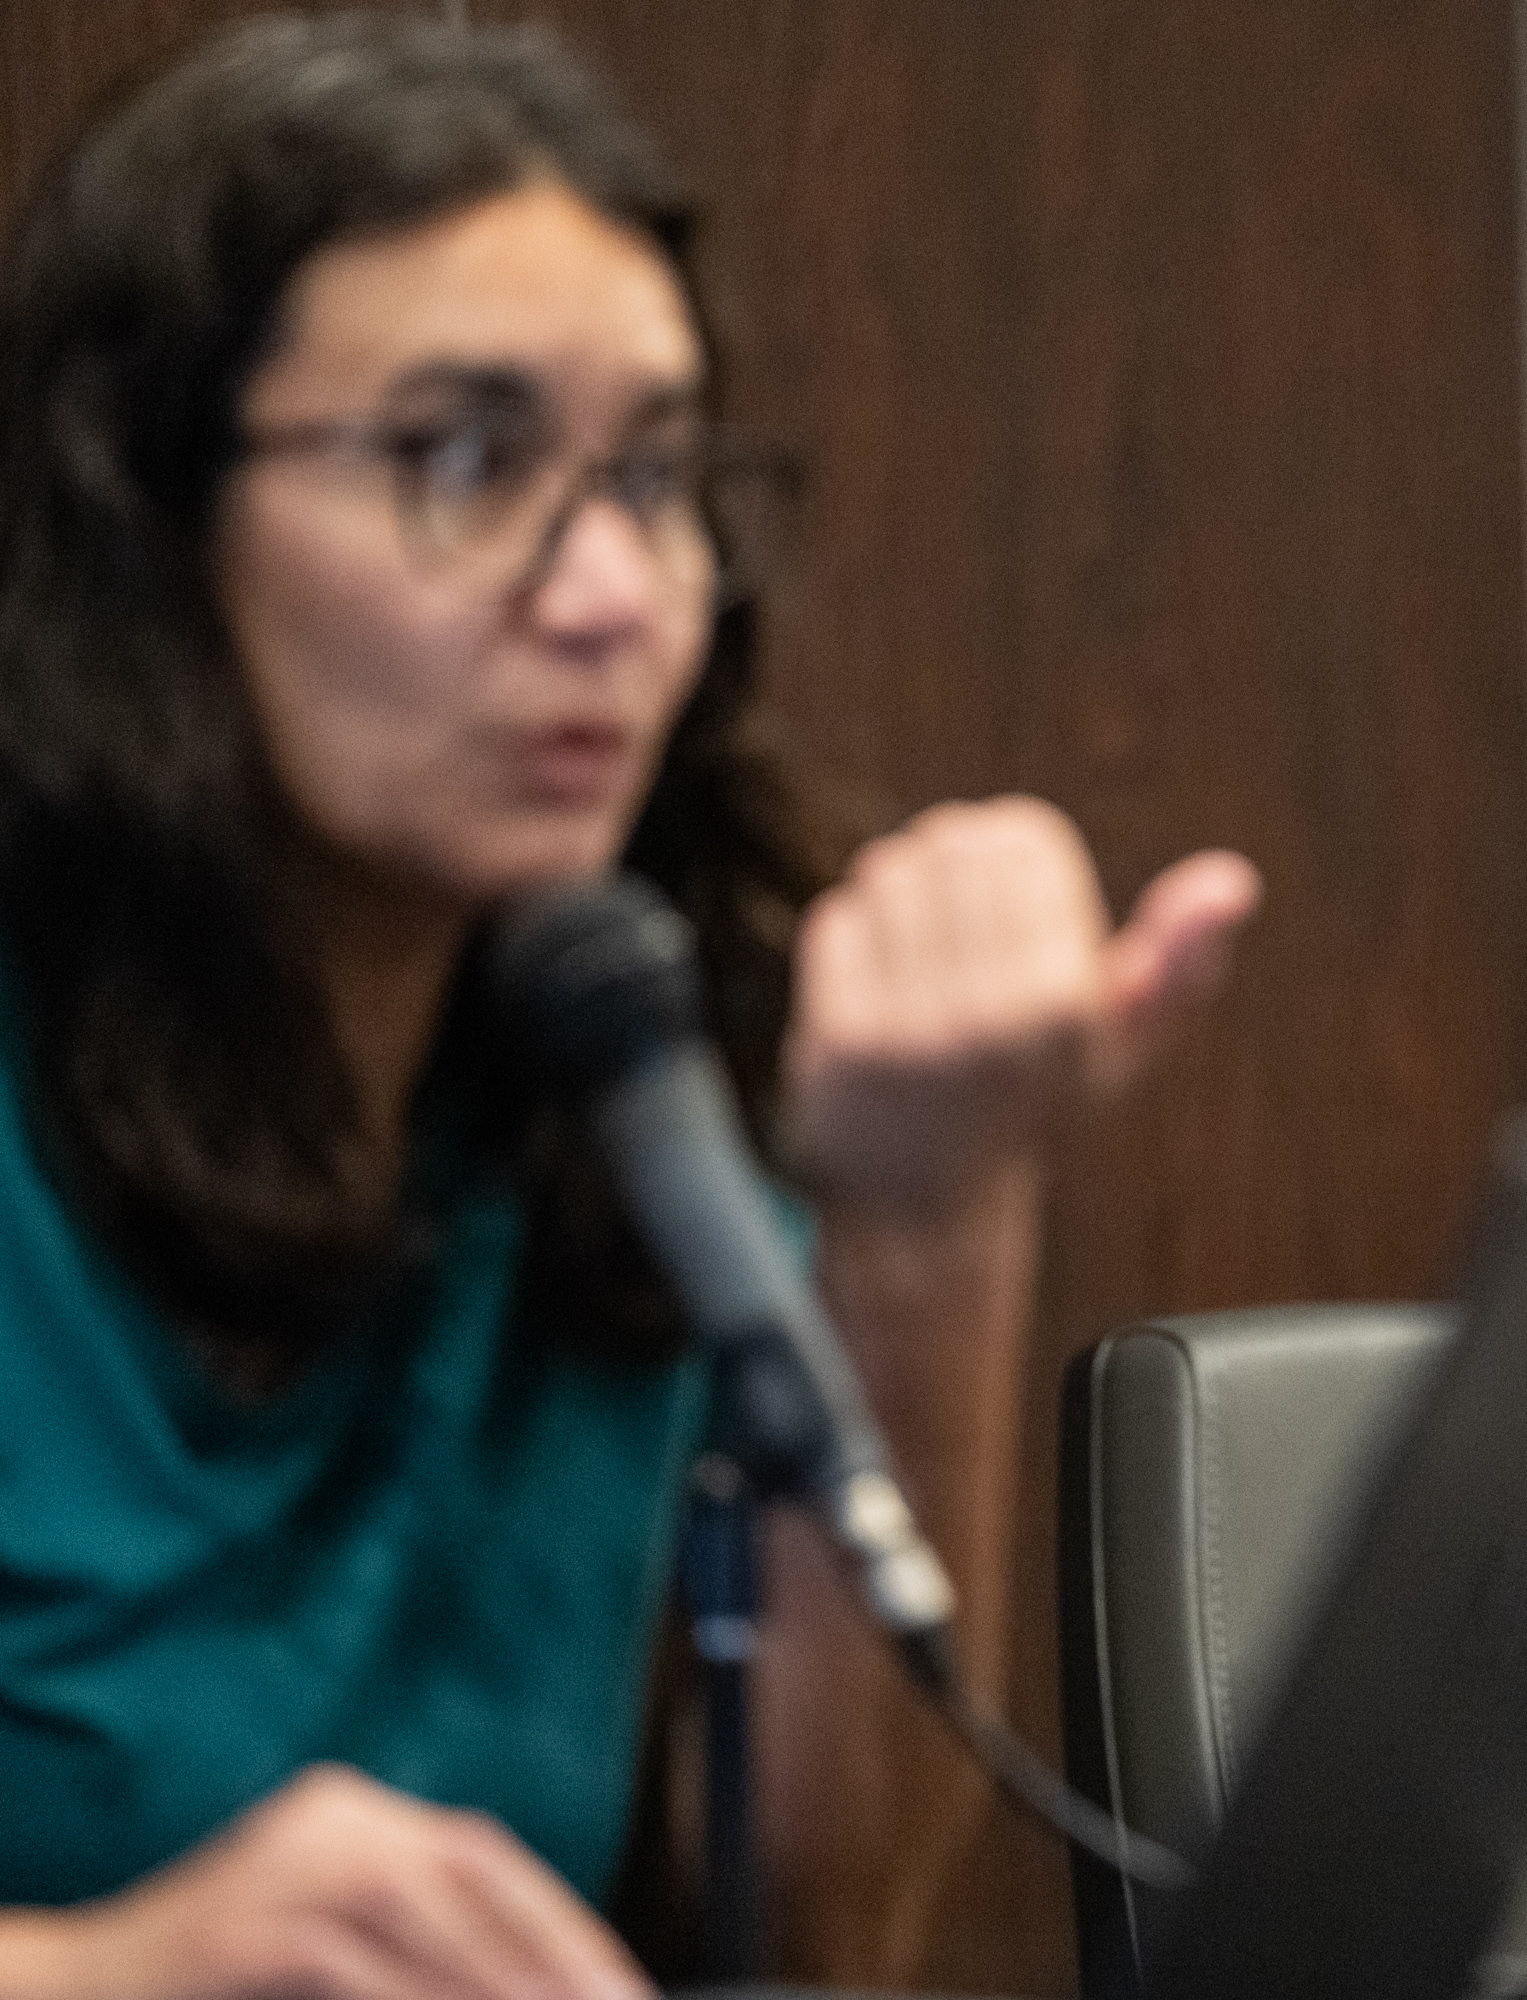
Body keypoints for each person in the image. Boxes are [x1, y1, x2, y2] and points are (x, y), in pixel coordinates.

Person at [0, 16, 1260, 1999]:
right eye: (462, 458)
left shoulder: (617, 1064)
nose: (611, 593)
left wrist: (928, 1226)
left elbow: (810, 1928)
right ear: (143, 520)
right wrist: (99, 1971)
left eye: (656, 477)